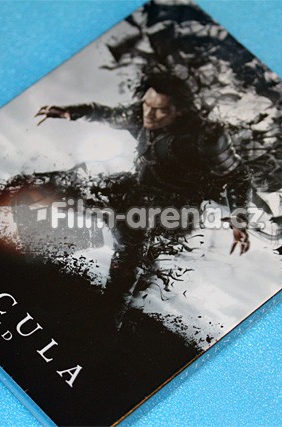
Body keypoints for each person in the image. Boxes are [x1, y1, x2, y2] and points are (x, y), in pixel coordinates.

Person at [35, 73, 251, 330]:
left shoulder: (205, 137)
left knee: (134, 230)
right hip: (139, 188)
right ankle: (13, 199)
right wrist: (72, 111)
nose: (150, 114)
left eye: (160, 110)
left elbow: (238, 176)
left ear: (180, 111)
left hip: (178, 210)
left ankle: (106, 322)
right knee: (81, 181)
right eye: (147, 104)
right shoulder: (141, 114)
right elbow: (108, 114)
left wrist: (239, 220)